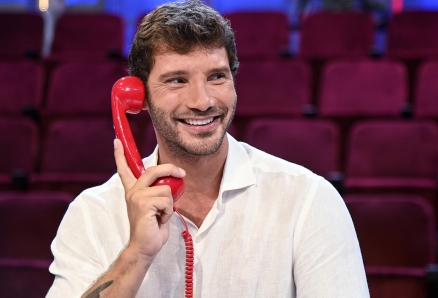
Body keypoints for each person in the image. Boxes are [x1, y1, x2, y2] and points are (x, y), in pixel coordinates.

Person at [46, 1, 370, 297]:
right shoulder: (93, 213)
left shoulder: (309, 201)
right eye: (176, 80)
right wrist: (136, 254)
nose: (202, 101)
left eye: (217, 77)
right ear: (138, 97)